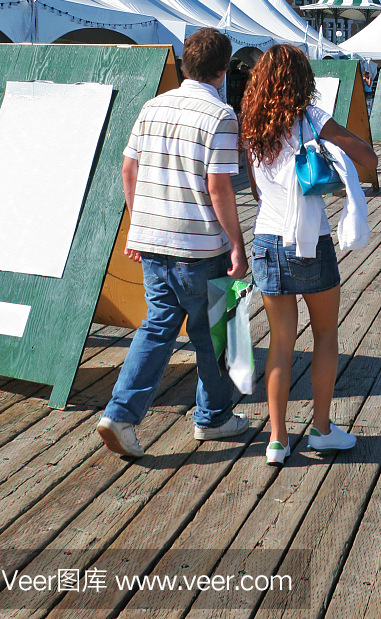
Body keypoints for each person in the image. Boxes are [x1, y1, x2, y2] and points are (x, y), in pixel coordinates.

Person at [97, 29, 249, 459]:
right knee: (218, 332)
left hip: (153, 242)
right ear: (222, 71)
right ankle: (213, 417)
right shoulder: (221, 115)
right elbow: (218, 187)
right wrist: (237, 245)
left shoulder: (152, 106)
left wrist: (139, 226)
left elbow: (129, 170)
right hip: (201, 247)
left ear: (185, 65)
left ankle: (120, 413)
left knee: (158, 327)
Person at [240, 44, 377, 464]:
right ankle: (321, 428)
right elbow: (368, 159)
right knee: (325, 336)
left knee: (281, 343)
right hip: (311, 241)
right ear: (304, 81)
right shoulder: (312, 119)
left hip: (266, 239)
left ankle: (277, 441)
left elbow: (258, 189)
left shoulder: (252, 125)